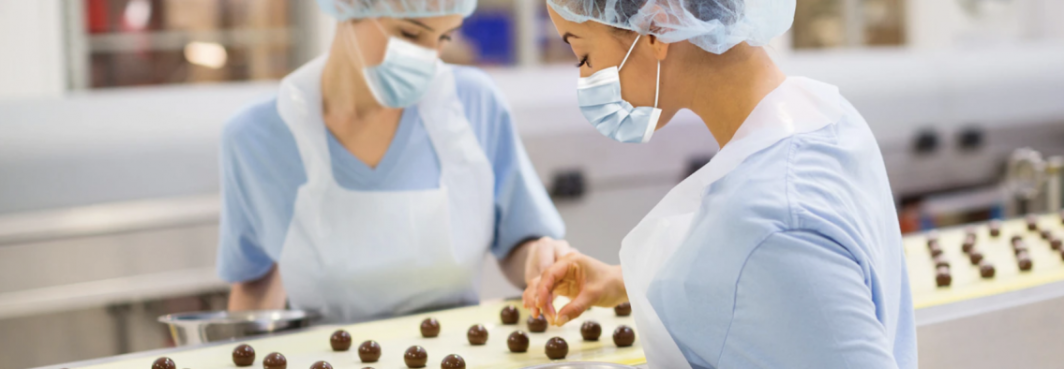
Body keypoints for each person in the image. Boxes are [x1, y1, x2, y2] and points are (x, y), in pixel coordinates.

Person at [524, 0, 918, 367]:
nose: (586, 78)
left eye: (584, 57)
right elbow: (775, 285)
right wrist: (622, 280)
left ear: (656, 29)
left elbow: (774, 249)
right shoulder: (825, 115)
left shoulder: (773, 218)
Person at [217, 0, 572, 323]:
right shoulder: (256, 139)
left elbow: (517, 243)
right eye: (410, 33)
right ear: (350, 8)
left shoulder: (474, 105)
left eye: (444, 37)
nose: (427, 58)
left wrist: (536, 258)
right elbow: (253, 288)